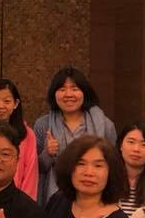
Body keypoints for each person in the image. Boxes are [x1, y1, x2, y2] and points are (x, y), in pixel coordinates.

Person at [34, 67, 118, 206]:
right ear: (54, 94)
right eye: (62, 89)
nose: (68, 94)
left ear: (84, 92)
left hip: (93, 199)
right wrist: (47, 153)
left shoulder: (105, 125)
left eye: (74, 89)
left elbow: (113, 166)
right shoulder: (43, 124)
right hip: (54, 199)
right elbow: (36, 169)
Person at [116, 121, 145, 216]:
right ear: (121, 145)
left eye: (144, 144)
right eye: (131, 142)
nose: (136, 149)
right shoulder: (109, 177)